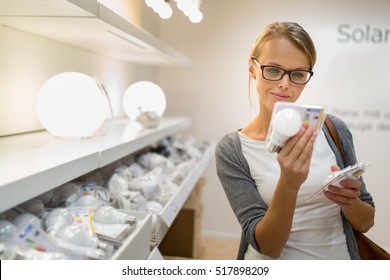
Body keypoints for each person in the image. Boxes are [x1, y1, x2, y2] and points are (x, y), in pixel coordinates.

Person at [215, 22, 375, 260]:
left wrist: (349, 201)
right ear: (252, 68)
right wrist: (289, 184)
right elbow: (267, 246)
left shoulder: (332, 129)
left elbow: (366, 221)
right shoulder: (232, 149)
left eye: (298, 74)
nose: (284, 84)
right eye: (273, 70)